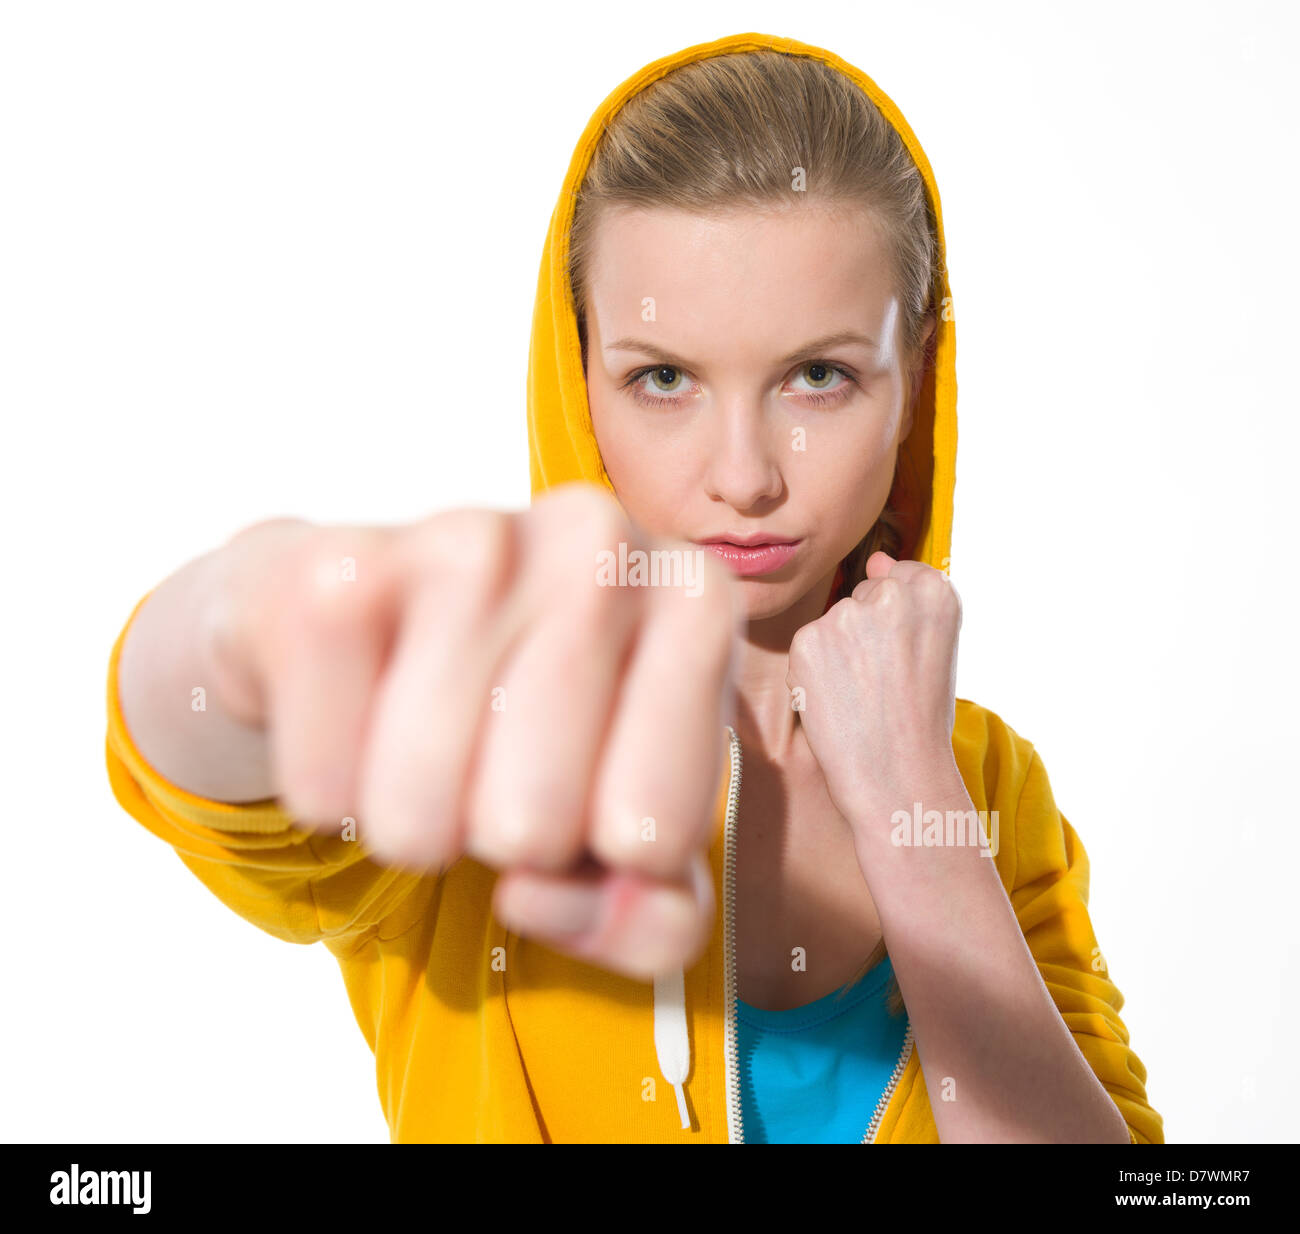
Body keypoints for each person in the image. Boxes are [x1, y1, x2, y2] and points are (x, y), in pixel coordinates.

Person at [103, 30, 1163, 1143]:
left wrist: (918, 813)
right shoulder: (487, 722)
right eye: (663, 378)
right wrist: (242, 630)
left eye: (818, 375)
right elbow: (209, 772)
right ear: (578, 378)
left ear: (915, 388)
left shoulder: (989, 782)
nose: (744, 477)